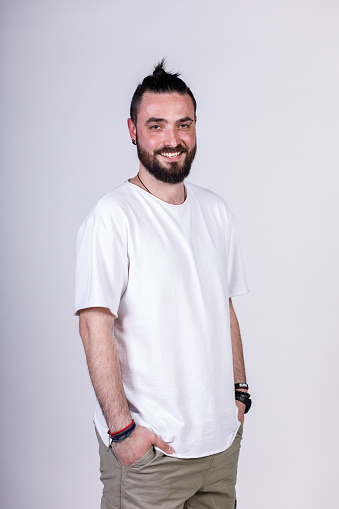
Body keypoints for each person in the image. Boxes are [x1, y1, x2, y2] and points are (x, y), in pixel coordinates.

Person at [75, 60, 251, 509]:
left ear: (195, 129)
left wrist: (240, 395)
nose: (172, 140)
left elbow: (222, 306)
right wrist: (122, 432)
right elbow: (94, 325)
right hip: (152, 455)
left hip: (219, 446)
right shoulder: (113, 216)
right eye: (157, 125)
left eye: (183, 124)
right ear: (133, 131)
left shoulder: (215, 211)